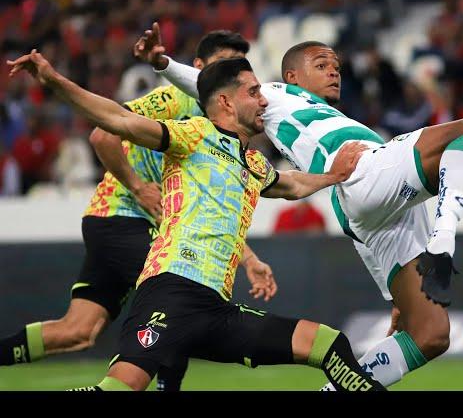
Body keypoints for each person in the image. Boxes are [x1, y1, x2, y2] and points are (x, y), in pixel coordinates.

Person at [142, 23, 463, 390]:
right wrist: (164, 64)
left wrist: (396, 296)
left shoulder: (336, 119)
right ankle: (445, 238)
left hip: (371, 212)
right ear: (292, 75)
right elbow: (211, 85)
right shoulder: (277, 96)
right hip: (364, 173)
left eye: (337, 67)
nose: (334, 72)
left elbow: (361, 229)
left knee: (430, 334)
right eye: (322, 64)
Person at [8, 51, 382, 392]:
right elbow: (116, 119)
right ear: (225, 101)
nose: (265, 100)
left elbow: (290, 184)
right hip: (171, 292)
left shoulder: (252, 163)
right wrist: (53, 79)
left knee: (328, 344)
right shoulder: (192, 136)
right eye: (254, 92)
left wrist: (334, 175)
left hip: (217, 311)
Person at [0, 32, 276, 393]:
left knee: (78, 332)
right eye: (223, 64)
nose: (231, 73)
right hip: (122, 216)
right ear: (197, 68)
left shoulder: (223, 129)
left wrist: (249, 259)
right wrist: (138, 187)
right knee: (177, 301)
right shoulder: (174, 98)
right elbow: (102, 135)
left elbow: (211, 216)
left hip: (126, 224)